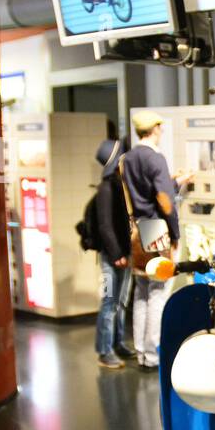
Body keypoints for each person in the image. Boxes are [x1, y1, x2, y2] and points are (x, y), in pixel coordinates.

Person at [122, 110, 179, 371]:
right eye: (160, 127)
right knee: (158, 293)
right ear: (154, 128)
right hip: (156, 230)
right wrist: (175, 235)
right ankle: (155, 354)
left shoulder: (127, 158)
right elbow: (165, 202)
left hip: (137, 229)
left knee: (141, 293)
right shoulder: (155, 158)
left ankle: (142, 352)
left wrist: (173, 182)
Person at [93, 134, 136, 369]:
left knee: (120, 302)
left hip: (122, 254)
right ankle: (104, 350)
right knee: (109, 302)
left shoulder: (118, 186)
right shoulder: (106, 189)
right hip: (112, 257)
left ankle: (118, 344)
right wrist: (117, 253)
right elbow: (105, 225)